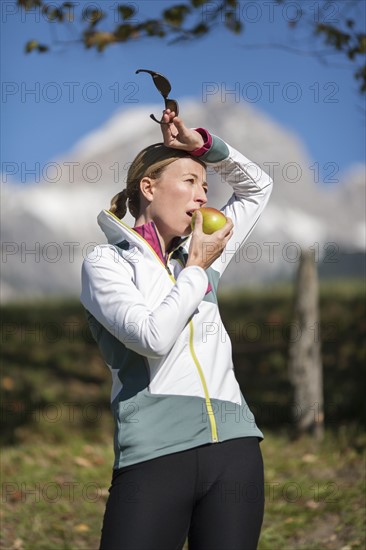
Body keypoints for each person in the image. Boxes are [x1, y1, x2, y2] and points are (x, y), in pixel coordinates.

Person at [80, 108, 273, 550]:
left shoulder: (204, 252)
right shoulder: (107, 263)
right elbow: (151, 337)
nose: (203, 197)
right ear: (149, 187)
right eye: (190, 181)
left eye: (206, 187)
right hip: (154, 455)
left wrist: (203, 147)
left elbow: (257, 186)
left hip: (236, 449)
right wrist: (196, 270)